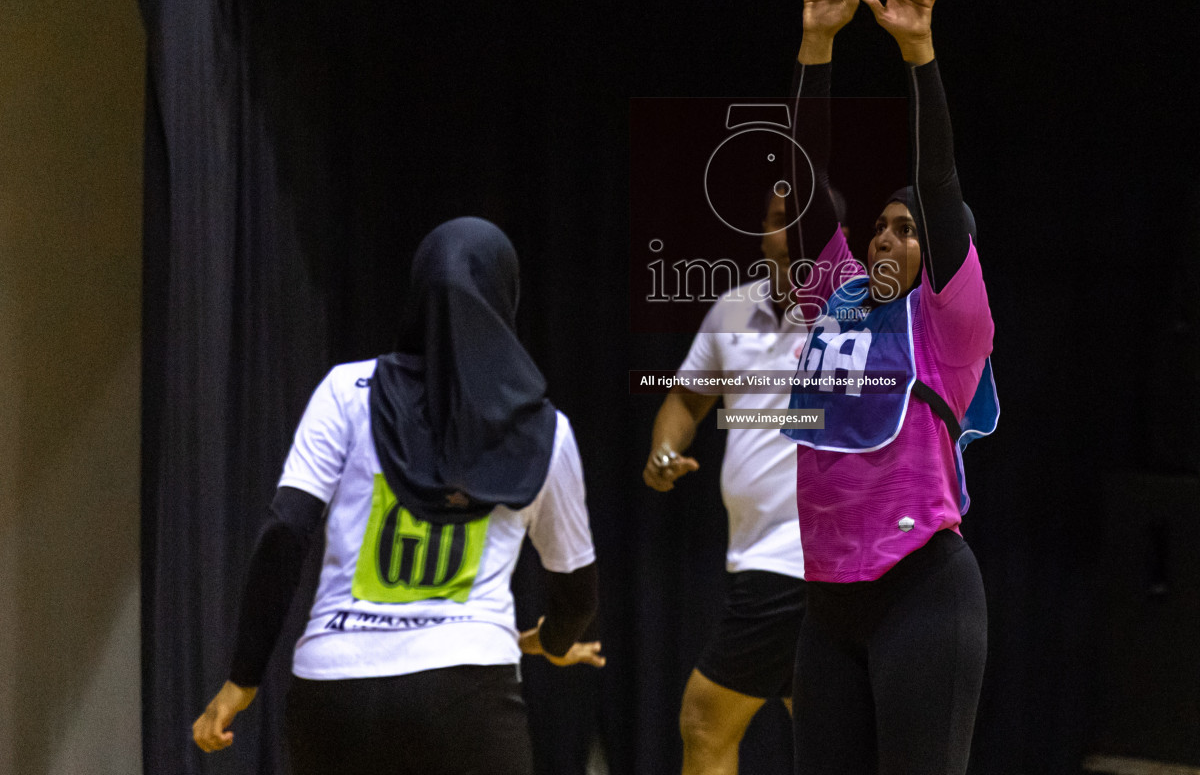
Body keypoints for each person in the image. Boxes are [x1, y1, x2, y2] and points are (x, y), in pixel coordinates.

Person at [192, 217, 604, 775]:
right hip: (466, 692)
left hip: (335, 691)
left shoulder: (345, 391)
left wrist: (242, 678)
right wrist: (553, 641)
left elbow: (285, 530)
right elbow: (577, 592)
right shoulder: (545, 431)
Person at [778, 0, 998, 775]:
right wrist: (818, 45)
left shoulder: (948, 324)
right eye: (879, 227)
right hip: (828, 603)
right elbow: (805, 189)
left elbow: (937, 184)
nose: (884, 237)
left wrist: (916, 54)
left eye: (905, 231)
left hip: (923, 595)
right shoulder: (837, 298)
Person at [643, 187, 821, 775]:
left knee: (704, 719)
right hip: (760, 553)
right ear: (762, 233)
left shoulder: (860, 314)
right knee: (824, 731)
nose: (789, 235)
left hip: (799, 558)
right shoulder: (732, 309)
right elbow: (687, 400)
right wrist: (664, 449)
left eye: (804, 222)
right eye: (777, 222)